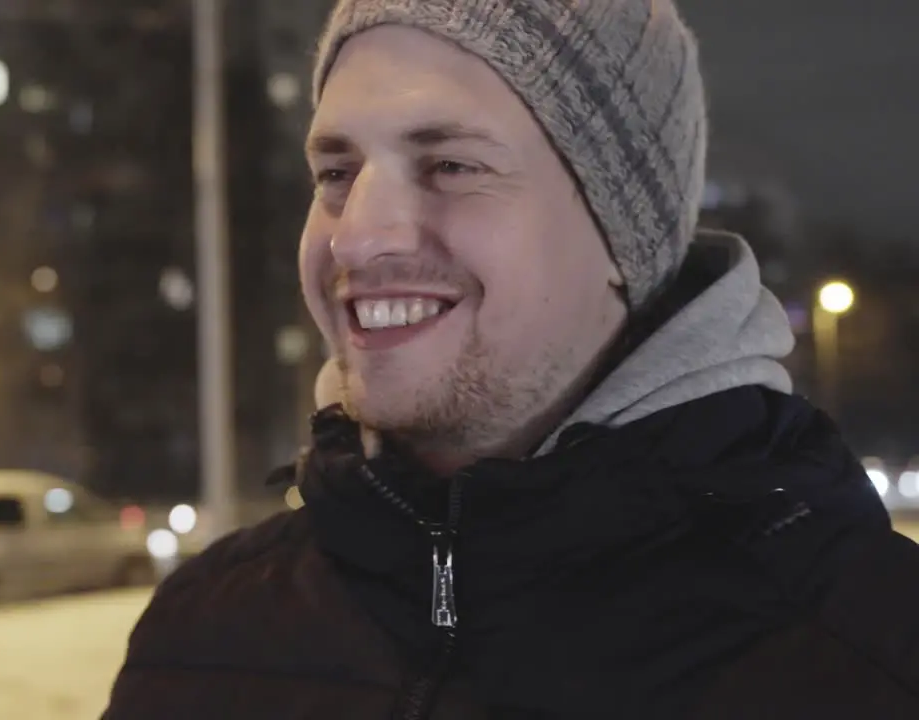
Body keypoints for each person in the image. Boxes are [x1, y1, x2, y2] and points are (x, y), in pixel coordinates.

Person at [104, 0, 919, 717]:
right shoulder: (203, 633)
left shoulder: (865, 657)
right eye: (336, 172)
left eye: (452, 165)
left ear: (623, 238)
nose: (357, 234)